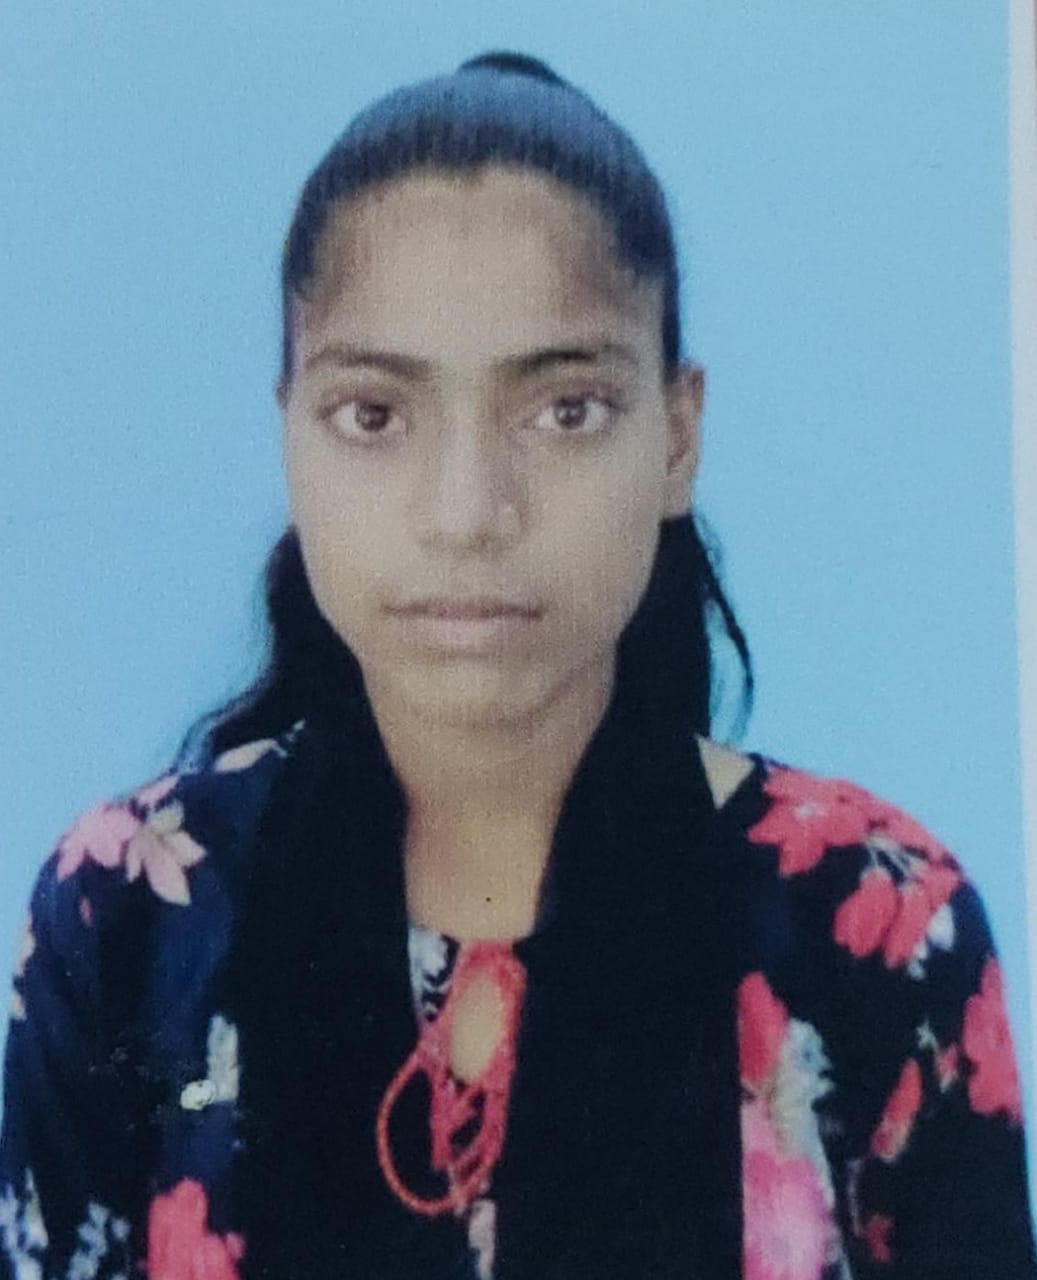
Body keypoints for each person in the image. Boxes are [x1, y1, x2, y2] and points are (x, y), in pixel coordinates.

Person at [0, 49, 1033, 1280]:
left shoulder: (876, 916)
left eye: (564, 410)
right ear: (289, 438)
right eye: (374, 414)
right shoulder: (126, 910)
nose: (467, 511)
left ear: (677, 435)